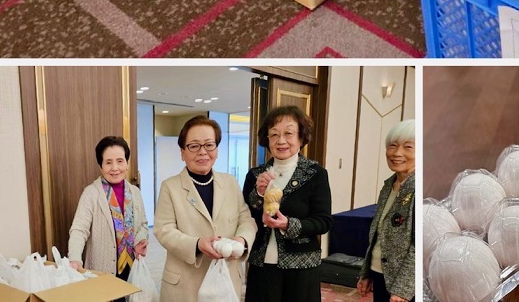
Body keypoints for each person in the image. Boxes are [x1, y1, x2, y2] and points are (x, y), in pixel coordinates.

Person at [154, 116, 257, 301]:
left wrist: (241, 240)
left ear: (216, 149)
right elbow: (164, 230)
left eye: (209, 145)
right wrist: (197, 244)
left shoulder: (230, 182)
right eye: (194, 146)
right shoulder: (170, 186)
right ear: (182, 152)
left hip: (226, 281)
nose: (203, 152)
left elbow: (246, 220)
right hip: (185, 284)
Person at [243, 106, 332, 302]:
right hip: (262, 264)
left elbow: (323, 222)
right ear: (267, 139)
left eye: (289, 133)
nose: (281, 141)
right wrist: (259, 193)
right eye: (274, 134)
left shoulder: (315, 174)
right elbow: (245, 217)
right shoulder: (255, 175)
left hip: (302, 267)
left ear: (301, 137)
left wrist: (288, 225)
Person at [68, 136, 148, 282]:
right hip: (103, 269)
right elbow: (79, 229)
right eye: (108, 162)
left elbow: (143, 224)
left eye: (120, 161)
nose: (115, 168)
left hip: (132, 266)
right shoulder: (91, 193)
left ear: (127, 163)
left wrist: (140, 239)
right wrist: (75, 258)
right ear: (101, 166)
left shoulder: (135, 192)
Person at [357, 120, 416, 302]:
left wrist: (403, 289)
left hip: (404, 284)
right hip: (381, 273)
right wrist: (367, 272)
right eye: (392, 146)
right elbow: (378, 233)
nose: (397, 153)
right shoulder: (389, 185)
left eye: (408, 147)